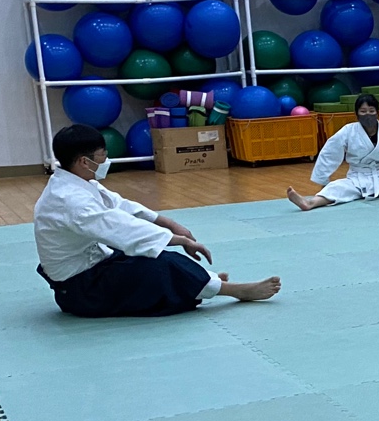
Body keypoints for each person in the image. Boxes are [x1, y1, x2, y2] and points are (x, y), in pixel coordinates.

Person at [35, 124, 279, 317]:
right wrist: (180, 240)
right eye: (102, 156)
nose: (105, 161)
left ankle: (207, 282)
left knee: (150, 256)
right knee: (159, 266)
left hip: (92, 266)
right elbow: (123, 229)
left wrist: (169, 224)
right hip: (80, 290)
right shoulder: (71, 200)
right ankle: (234, 290)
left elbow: (121, 206)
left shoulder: (76, 182)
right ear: (83, 161)